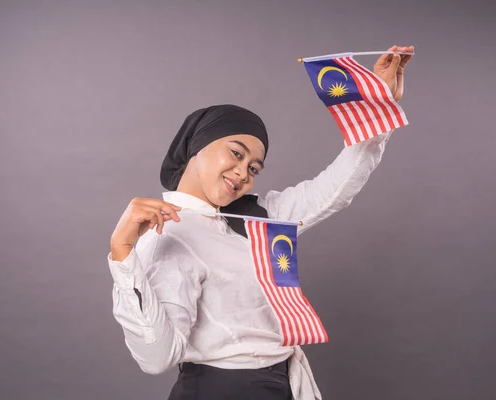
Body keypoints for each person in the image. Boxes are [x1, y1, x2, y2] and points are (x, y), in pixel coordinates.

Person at [107, 45, 414, 400]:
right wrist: (122, 255)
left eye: (254, 168)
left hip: (283, 383)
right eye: (236, 153)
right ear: (195, 146)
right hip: (223, 390)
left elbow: (335, 190)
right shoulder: (169, 233)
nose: (243, 172)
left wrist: (374, 103)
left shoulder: (257, 218)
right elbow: (157, 356)